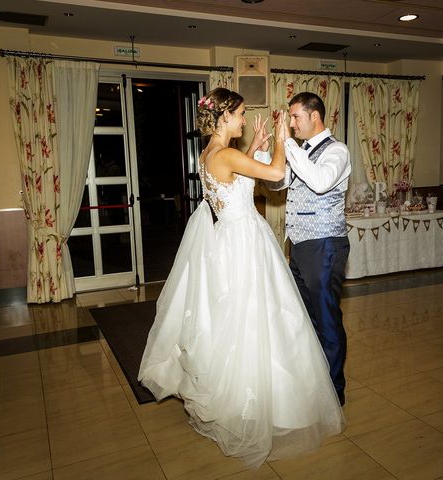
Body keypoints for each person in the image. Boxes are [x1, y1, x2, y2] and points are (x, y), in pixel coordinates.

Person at [138, 88, 344, 468]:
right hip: (246, 244)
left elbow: (234, 180)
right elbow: (277, 173)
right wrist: (281, 141)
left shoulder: (210, 154)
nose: (246, 121)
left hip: (230, 241)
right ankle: (257, 402)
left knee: (238, 318)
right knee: (257, 318)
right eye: (242, 114)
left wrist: (254, 150)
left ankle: (240, 398)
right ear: (225, 116)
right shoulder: (227, 154)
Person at [269, 92, 351, 406]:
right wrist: (269, 157)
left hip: (325, 246)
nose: (291, 124)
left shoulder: (337, 151)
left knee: (327, 318)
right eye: (290, 119)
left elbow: (319, 182)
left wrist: (287, 144)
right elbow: (280, 184)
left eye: (295, 117)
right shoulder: (301, 150)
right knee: (307, 318)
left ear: (313, 115)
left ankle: (333, 391)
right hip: (301, 247)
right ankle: (315, 380)